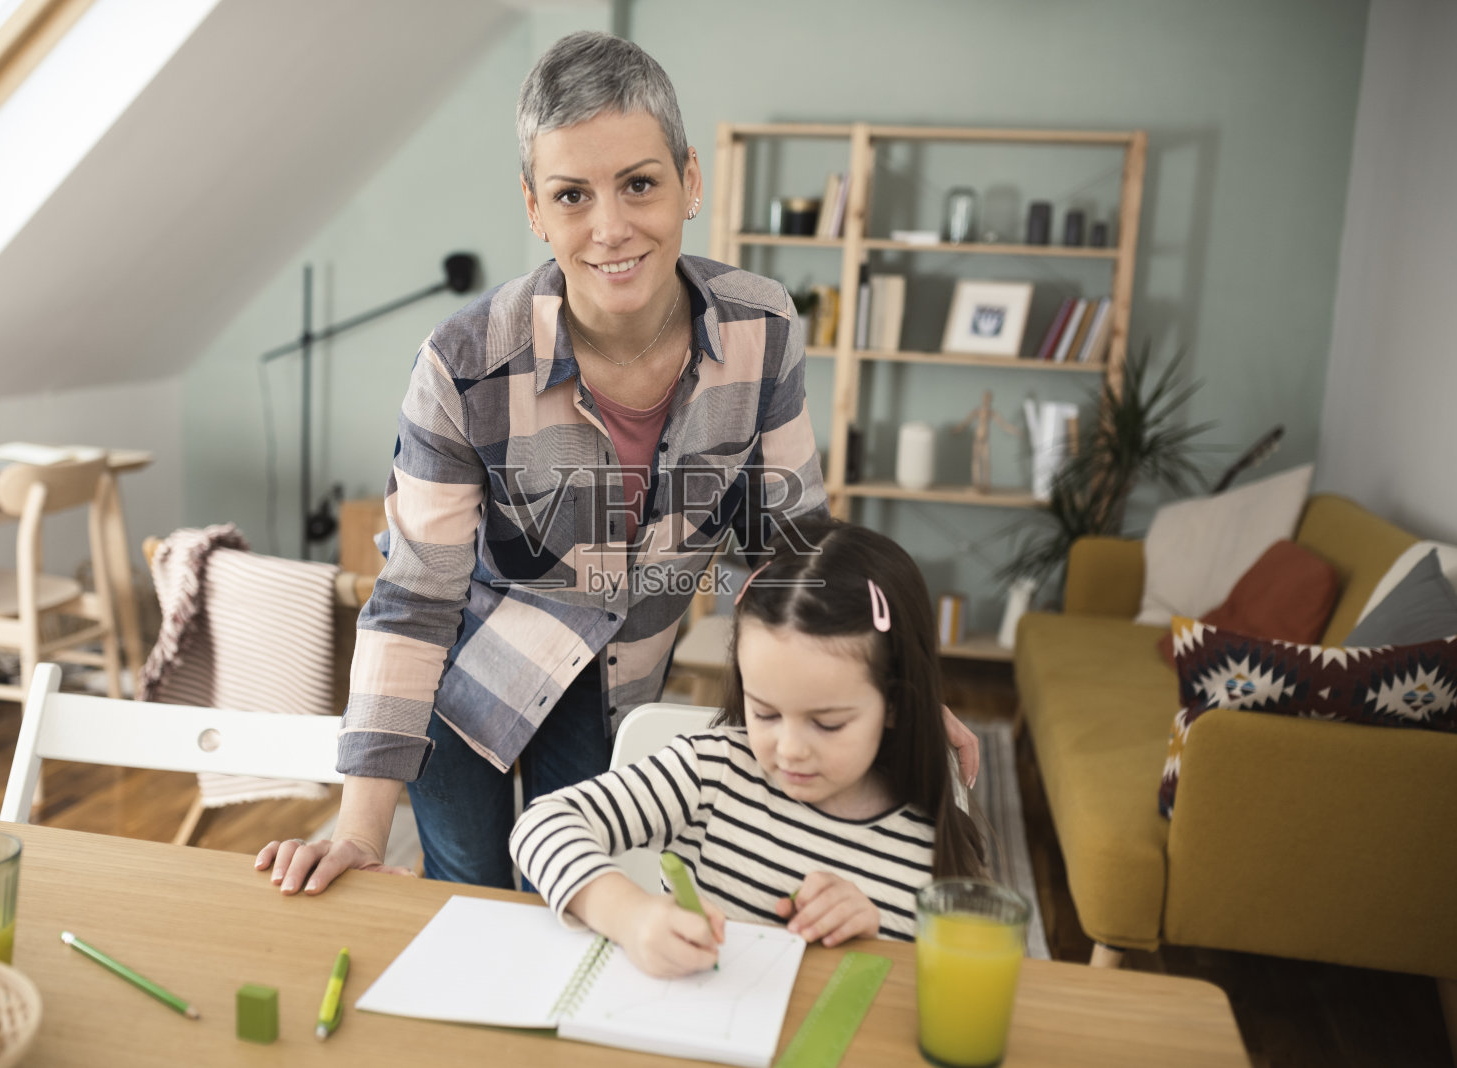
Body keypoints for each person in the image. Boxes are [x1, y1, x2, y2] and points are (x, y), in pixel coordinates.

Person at [257, 31, 977, 895]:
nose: (610, 228)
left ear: (690, 181)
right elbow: (415, 602)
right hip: (467, 686)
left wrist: (890, 686)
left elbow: (792, 551)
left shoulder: (762, 330)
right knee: (467, 903)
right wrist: (362, 830)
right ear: (534, 208)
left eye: (639, 183)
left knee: (580, 906)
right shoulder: (463, 363)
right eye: (572, 195)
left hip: (623, 686)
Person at [509, 518, 989, 978]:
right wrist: (629, 915)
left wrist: (878, 935)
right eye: (765, 713)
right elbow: (541, 824)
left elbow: (960, 984)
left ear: (896, 704)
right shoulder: (712, 770)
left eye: (828, 723)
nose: (791, 749)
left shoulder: (928, 849)